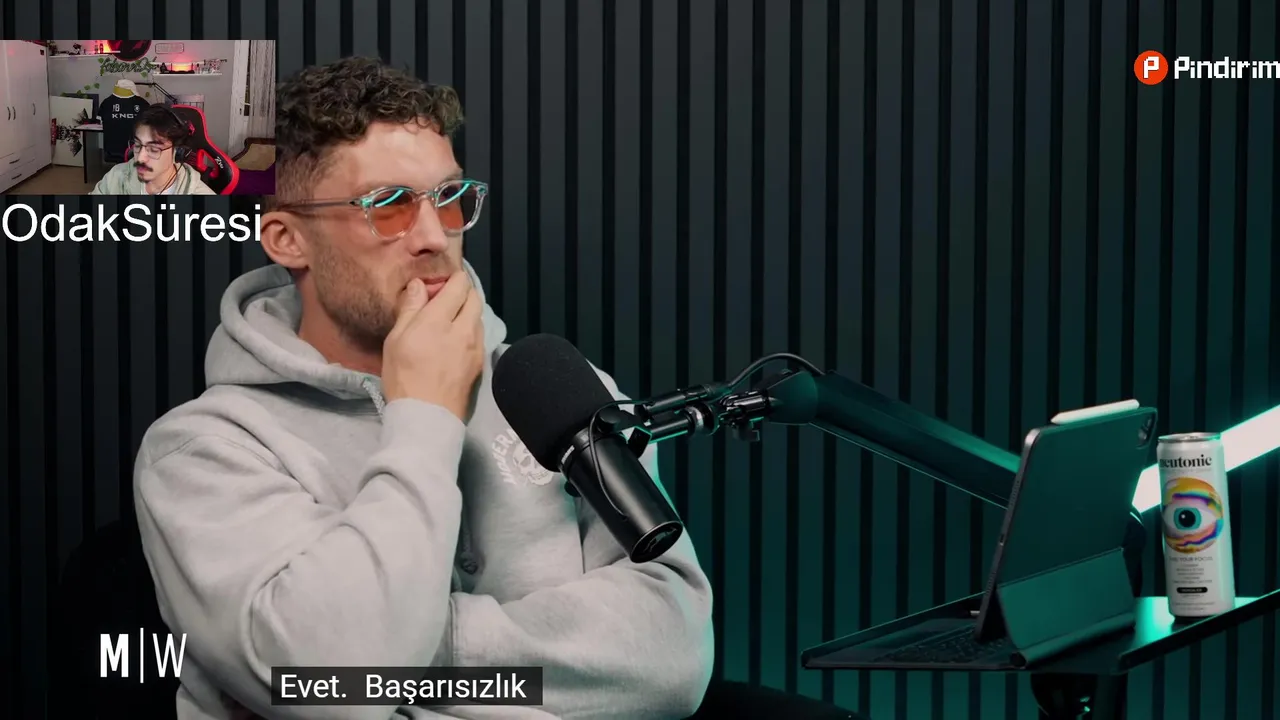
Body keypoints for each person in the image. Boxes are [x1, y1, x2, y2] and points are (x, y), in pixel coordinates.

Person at [132, 56, 714, 719]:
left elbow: (672, 656)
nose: (436, 237)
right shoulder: (199, 451)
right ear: (288, 239)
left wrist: (413, 652)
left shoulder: (561, 394)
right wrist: (425, 416)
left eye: (450, 197)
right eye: (389, 206)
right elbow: (327, 683)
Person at [90, 104, 216, 195]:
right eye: (138, 145)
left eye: (154, 149)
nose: (140, 158)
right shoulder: (115, 178)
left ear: (177, 152)